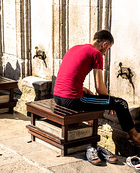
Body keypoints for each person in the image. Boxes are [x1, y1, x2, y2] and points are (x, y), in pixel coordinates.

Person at [53, 30, 140, 164]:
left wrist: (85, 89)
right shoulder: (96, 54)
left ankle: (92, 127)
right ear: (104, 44)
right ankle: (135, 136)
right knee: (121, 103)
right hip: (72, 100)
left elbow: (67, 75)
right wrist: (110, 103)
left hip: (57, 96)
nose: (106, 52)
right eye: (108, 48)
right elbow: (100, 87)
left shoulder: (75, 48)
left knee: (91, 95)